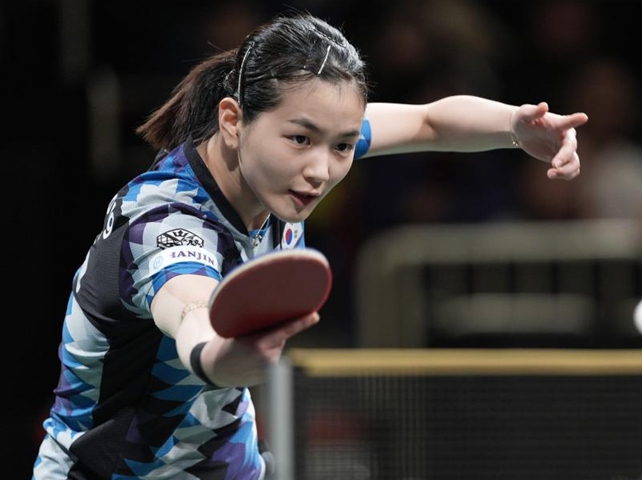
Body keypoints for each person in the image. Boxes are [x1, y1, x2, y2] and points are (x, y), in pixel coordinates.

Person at [32, 11, 588, 480]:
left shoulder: (297, 155)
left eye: (343, 145)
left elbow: (429, 123)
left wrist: (517, 126)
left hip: (223, 466)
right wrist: (227, 357)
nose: (321, 170)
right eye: (300, 139)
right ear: (232, 119)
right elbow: (194, 316)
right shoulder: (164, 224)